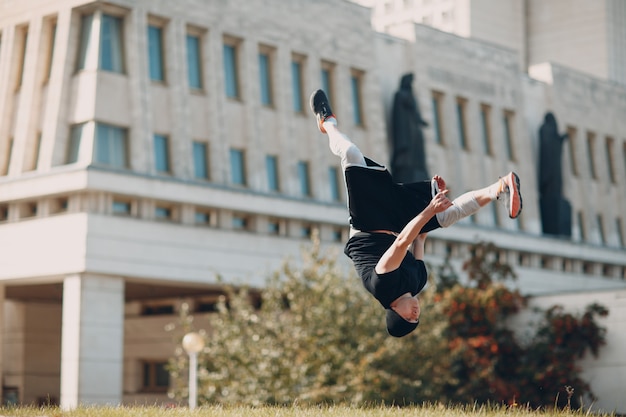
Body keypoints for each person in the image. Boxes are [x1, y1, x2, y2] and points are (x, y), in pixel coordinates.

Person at [309, 89, 522, 337]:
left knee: (351, 155)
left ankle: (327, 123)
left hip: (368, 223)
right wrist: (430, 198)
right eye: (417, 318)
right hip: (398, 223)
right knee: (446, 217)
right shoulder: (418, 282)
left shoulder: (383, 287)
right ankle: (500, 188)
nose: (416, 312)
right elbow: (418, 238)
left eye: (410, 317)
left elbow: (402, 242)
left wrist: (428, 208)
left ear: (394, 311)